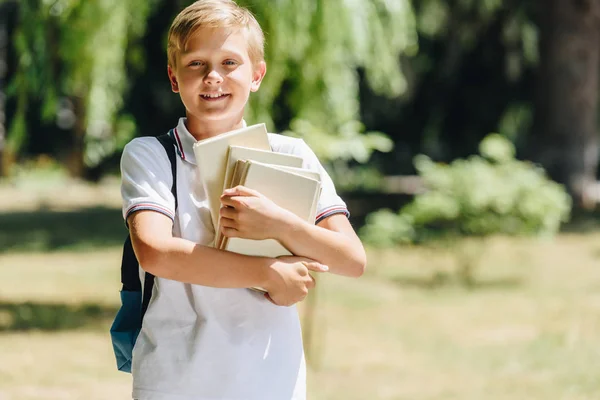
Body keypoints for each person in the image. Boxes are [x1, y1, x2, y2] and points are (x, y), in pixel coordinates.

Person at [121, 1, 367, 399]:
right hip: (175, 381)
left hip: (269, 380)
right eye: (196, 63)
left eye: (229, 62)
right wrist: (268, 273)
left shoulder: (294, 155)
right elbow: (155, 252)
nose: (213, 76)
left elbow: (351, 260)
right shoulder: (151, 155)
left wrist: (278, 224)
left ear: (257, 74)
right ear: (173, 76)